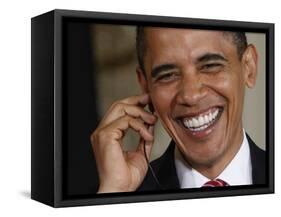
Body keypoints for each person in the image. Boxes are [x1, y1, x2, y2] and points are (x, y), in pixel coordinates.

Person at [90, 27, 266, 193]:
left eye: (210, 66)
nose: (191, 96)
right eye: (168, 75)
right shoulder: (125, 194)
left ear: (248, 68)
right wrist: (114, 192)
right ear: (145, 86)